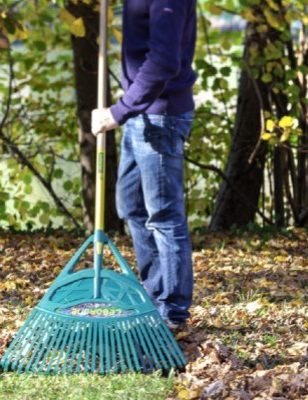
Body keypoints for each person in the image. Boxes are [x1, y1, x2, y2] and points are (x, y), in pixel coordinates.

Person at [91, 0, 197, 330]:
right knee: (130, 204)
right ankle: (155, 295)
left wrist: (118, 112)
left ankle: (172, 312)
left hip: (160, 115)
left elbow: (164, 61)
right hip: (142, 115)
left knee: (164, 216)